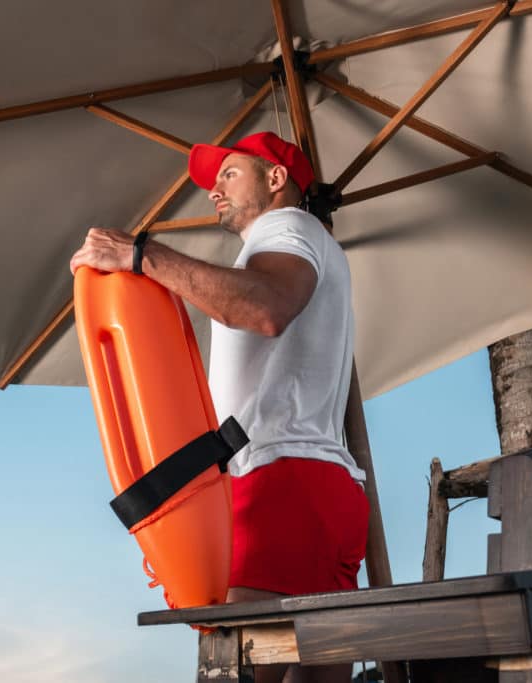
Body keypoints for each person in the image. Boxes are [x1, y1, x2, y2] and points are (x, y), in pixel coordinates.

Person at [70, 132, 368, 683]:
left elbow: (267, 307)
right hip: (321, 488)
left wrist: (141, 255)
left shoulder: (288, 227)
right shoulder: (311, 242)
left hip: (279, 480)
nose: (213, 189)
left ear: (276, 179)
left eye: (229, 173)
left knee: (232, 670)